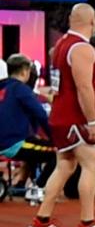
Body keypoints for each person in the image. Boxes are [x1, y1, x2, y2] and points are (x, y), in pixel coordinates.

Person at [29, 2, 95, 227]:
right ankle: (87, 222)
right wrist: (93, 122)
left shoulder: (60, 46)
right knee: (92, 164)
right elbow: (84, 87)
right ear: (93, 22)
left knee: (65, 166)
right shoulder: (81, 49)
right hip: (75, 119)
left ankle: (42, 218)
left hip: (62, 116)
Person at [1, 52, 52, 201]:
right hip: (12, 144)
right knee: (59, 152)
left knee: (33, 146)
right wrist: (55, 138)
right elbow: (40, 114)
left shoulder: (3, 87)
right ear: (25, 71)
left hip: (7, 141)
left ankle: (22, 183)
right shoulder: (22, 89)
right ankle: (38, 188)